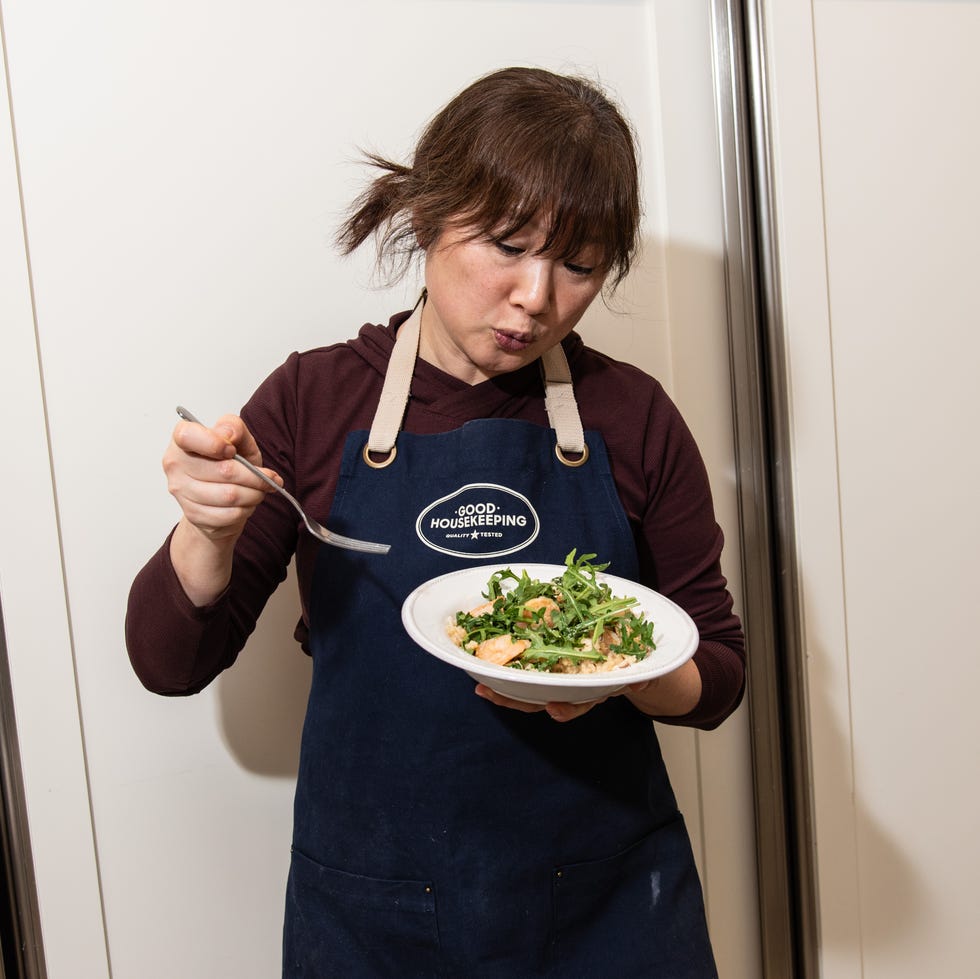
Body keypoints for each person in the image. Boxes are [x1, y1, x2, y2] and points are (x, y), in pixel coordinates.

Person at [126, 66, 745, 978]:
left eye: (577, 265)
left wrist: (621, 673)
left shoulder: (635, 415)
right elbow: (169, 665)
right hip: (374, 912)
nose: (535, 296)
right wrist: (206, 534)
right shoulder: (312, 400)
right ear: (427, 215)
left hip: (606, 906)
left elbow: (720, 674)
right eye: (507, 244)